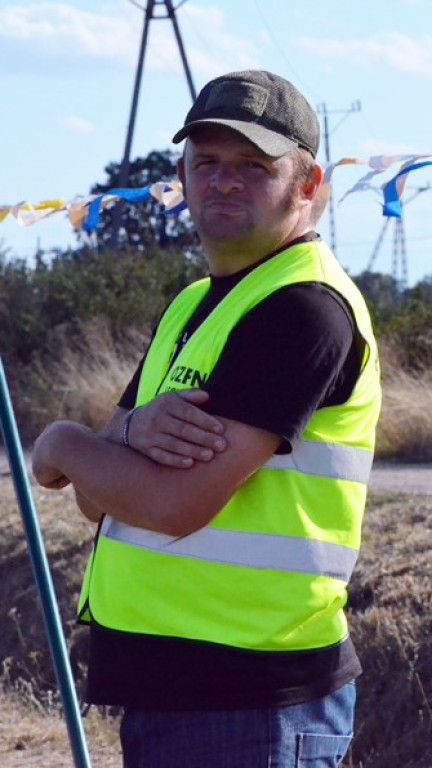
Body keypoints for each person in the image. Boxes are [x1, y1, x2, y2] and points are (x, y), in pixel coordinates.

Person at [32, 69, 381, 768]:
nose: (225, 181)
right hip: (182, 697)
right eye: (207, 163)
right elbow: (101, 502)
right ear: (182, 177)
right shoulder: (196, 304)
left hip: (253, 703)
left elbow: (169, 502)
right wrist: (123, 439)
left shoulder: (302, 309)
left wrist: (64, 439)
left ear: (309, 183)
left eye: (255, 166)